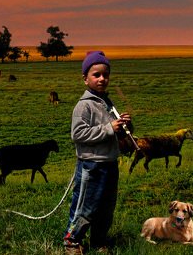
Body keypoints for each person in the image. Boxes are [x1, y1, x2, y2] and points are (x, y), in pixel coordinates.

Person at [63, 50, 131, 254]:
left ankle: (99, 240)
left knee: (106, 206)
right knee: (86, 204)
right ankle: (72, 240)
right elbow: (78, 134)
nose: (102, 79)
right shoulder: (83, 106)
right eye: (96, 75)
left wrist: (125, 126)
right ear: (85, 79)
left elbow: (114, 131)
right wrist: (110, 128)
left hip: (109, 162)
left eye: (106, 75)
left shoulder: (107, 102)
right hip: (91, 165)